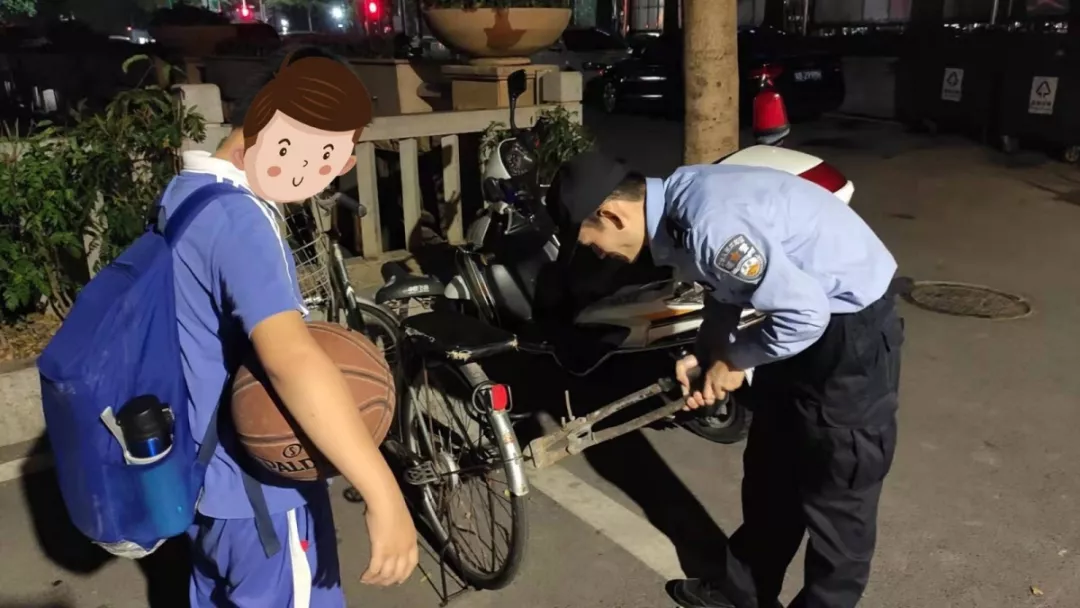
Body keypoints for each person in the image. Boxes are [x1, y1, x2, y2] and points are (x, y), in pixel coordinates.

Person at [548, 150, 904, 608]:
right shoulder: (678, 205)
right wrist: (708, 353)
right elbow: (726, 289)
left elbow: (806, 315)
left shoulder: (707, 224)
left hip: (848, 334)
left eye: (593, 244)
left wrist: (733, 363)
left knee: (838, 494)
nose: (600, 255)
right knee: (772, 470)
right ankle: (742, 593)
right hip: (794, 322)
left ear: (611, 214)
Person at [163, 45, 417, 606]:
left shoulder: (188, 192)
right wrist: (385, 493)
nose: (337, 167)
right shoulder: (241, 221)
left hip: (203, 480)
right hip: (259, 495)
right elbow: (291, 359)